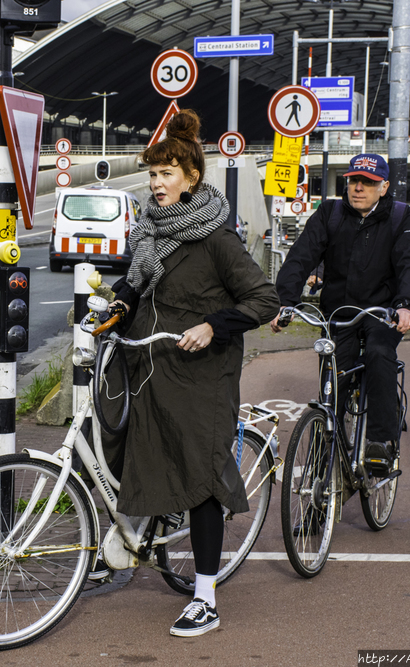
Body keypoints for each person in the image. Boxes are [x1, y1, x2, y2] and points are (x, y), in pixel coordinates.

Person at [100, 110, 279, 638]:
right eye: (152, 175)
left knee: (201, 482)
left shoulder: (217, 239)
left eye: (166, 175)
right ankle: (129, 537)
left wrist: (211, 325)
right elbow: (135, 286)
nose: (157, 185)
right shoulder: (148, 233)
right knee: (129, 451)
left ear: (191, 177)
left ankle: (205, 597)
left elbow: (264, 299)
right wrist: (111, 309)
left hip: (202, 377)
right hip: (152, 369)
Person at [270, 153, 410, 472]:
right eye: (353, 180)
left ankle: (379, 441)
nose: (358, 188)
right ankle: (321, 477)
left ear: (383, 187)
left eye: (367, 183)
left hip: (381, 312)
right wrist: (283, 301)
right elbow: (301, 257)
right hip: (338, 313)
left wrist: (407, 306)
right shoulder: (330, 212)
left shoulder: (400, 217)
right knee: (331, 389)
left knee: (378, 352)